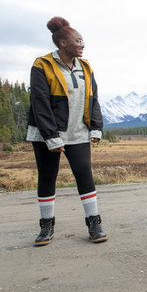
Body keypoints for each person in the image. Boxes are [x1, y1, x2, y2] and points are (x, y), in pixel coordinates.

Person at [27, 17, 107, 245]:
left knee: (84, 174)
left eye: (83, 41)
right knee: (47, 177)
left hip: (77, 131)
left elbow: (93, 99)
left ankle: (94, 223)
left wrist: (95, 126)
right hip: (46, 132)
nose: (82, 44)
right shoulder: (41, 65)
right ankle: (46, 227)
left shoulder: (86, 66)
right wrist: (51, 136)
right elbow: (39, 102)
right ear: (62, 43)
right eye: (77, 40)